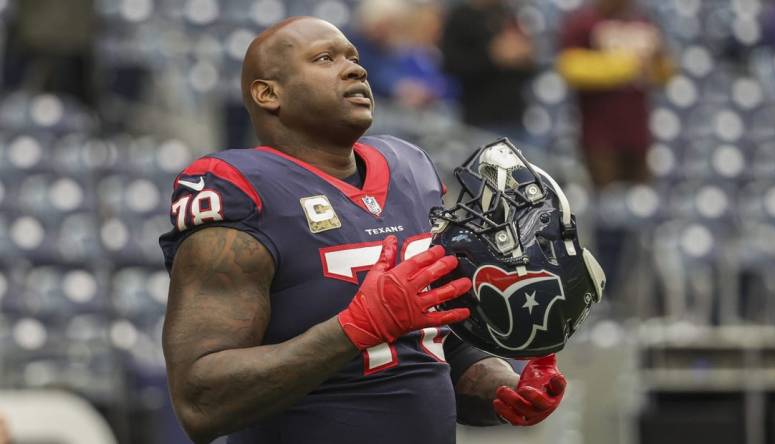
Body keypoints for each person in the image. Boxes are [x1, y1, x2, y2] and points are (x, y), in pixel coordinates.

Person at [159, 16, 565, 444]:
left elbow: (432, 346)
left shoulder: (411, 171)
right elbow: (200, 402)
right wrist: (353, 328)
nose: (356, 69)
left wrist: (504, 386)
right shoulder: (243, 189)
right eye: (324, 58)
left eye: (354, 58)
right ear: (267, 93)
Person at [557, 0, 674, 188]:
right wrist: (625, 66)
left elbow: (663, 74)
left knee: (640, 199)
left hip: (638, 133)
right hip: (600, 135)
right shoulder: (584, 22)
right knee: (604, 199)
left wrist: (658, 62)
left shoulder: (644, 21)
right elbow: (569, 67)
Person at [441, 0, 535, 137]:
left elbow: (529, 66)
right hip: (479, 118)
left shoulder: (509, 15)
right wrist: (493, 56)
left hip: (515, 116)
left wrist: (524, 57)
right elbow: (451, 65)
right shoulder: (461, 17)